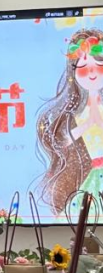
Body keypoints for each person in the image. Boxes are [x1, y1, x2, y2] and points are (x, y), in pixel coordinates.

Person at [37, 28, 103, 213]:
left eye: (99, 65)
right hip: (93, 178)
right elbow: (66, 140)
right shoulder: (75, 115)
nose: (92, 72)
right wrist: (87, 124)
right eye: (84, 67)